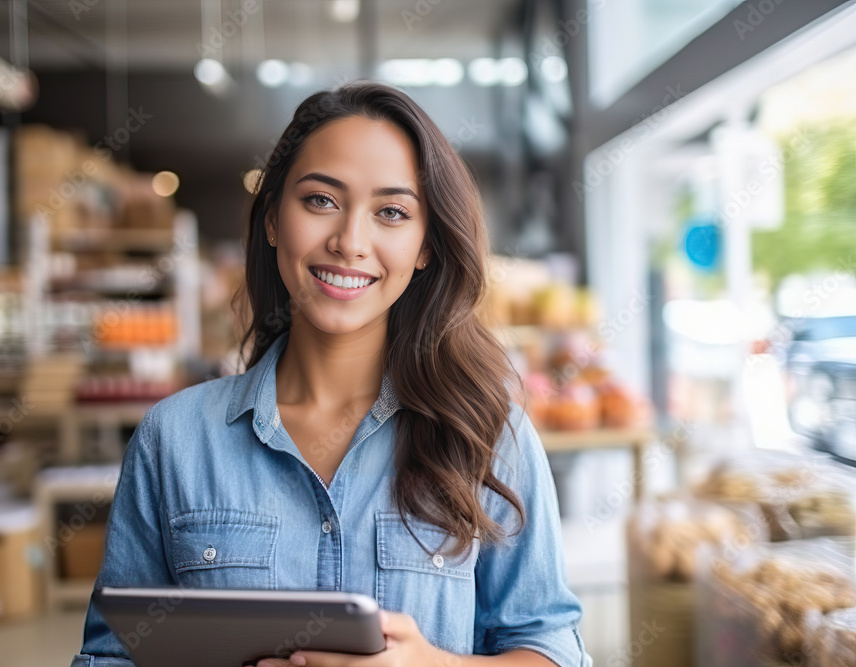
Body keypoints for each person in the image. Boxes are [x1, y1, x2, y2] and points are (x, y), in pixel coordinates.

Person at [71, 80, 590, 667]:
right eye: (321, 200)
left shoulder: (491, 438)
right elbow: (109, 657)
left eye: (391, 212)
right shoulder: (175, 440)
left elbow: (554, 651)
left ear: (425, 246)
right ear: (272, 219)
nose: (350, 242)